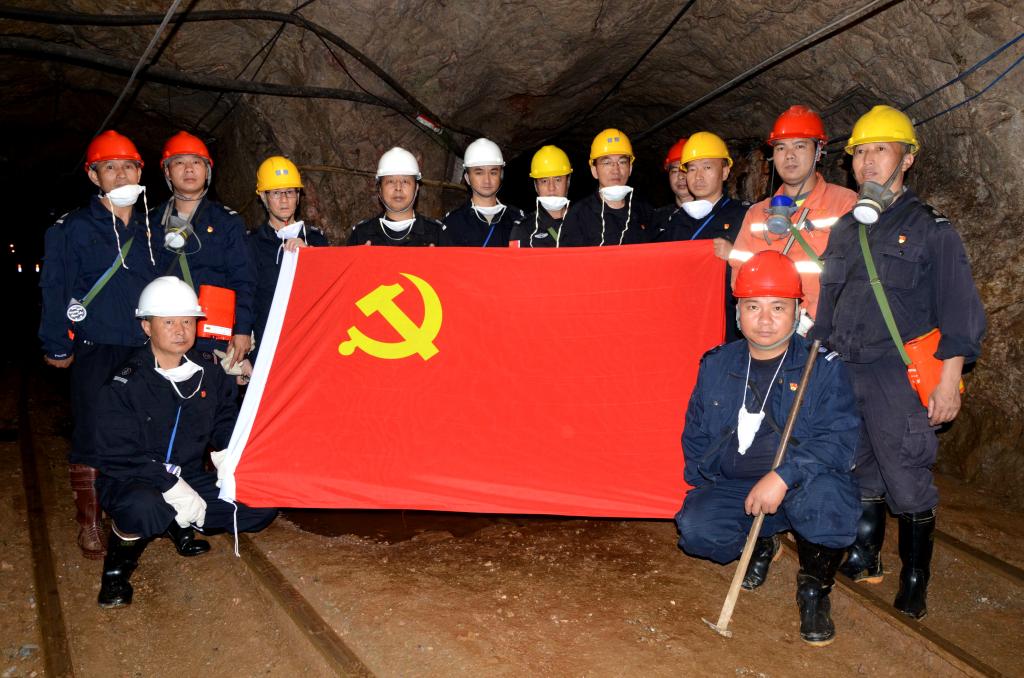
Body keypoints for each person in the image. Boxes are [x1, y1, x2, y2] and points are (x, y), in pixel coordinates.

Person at [810, 105, 986, 620]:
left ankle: (914, 578)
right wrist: (815, 366)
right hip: (847, 370)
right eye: (859, 152)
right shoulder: (846, 229)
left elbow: (960, 312)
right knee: (858, 469)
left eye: (880, 150)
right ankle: (865, 554)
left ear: (906, 159)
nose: (867, 162)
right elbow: (828, 308)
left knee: (906, 477)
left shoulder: (932, 230)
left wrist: (948, 383)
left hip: (898, 376)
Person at [675, 251, 861, 646]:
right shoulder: (717, 363)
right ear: (738, 312)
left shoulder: (822, 367)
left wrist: (783, 475)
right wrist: (706, 483)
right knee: (697, 530)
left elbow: (839, 439)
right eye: (752, 307)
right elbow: (695, 430)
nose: (764, 319)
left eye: (778, 307)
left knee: (827, 503)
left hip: (801, 482)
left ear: (798, 311)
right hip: (736, 484)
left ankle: (814, 589)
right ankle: (762, 538)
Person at [94, 276, 278, 608]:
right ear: (147, 326)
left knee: (260, 504)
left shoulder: (208, 372)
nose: (180, 330)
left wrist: (230, 455)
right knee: (145, 506)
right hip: (133, 479)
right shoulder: (125, 382)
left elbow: (224, 420)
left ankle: (176, 523)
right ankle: (116, 574)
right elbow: (115, 454)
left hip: (188, 475)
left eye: (188, 321)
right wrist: (169, 485)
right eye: (169, 322)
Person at [39, 130, 161, 560]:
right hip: (96, 345)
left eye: (128, 166)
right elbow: (55, 286)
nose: (121, 174)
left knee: (143, 430)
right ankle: (89, 521)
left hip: (144, 348)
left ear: (140, 172)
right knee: (93, 431)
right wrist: (56, 343)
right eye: (110, 167)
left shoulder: (153, 228)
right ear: (94, 176)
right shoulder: (72, 229)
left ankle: (131, 508)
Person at [729, 106, 857, 327]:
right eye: (781, 147)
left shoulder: (844, 204)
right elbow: (740, 276)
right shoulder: (756, 214)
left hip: (824, 329)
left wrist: (810, 318)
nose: (789, 155)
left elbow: (855, 275)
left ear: (818, 151)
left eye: (800, 146)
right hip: (768, 330)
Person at [153, 131, 255, 370]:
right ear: (167, 171)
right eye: (179, 162)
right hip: (166, 337)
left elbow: (244, 279)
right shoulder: (151, 223)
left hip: (213, 338)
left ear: (207, 170)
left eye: (196, 162)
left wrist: (242, 330)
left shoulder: (227, 222)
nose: (189, 169)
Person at [656, 132, 751, 341]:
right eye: (692, 169)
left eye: (707, 167)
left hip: (727, 329)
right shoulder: (675, 222)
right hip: (683, 326)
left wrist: (734, 255)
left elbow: (765, 266)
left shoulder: (745, 216)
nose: (698, 176)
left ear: (725, 172)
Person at [248, 156, 329, 366]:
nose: (284, 200)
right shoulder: (252, 244)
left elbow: (329, 294)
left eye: (290, 192)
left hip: (310, 346)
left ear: (298, 196)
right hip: (268, 347)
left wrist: (310, 258)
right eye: (276, 193)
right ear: (263, 197)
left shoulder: (317, 240)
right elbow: (246, 299)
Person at [560, 128, 654, 247]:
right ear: (594, 170)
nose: (616, 170)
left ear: (630, 168)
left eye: (622, 162)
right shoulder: (578, 216)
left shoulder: (645, 212)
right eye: (607, 163)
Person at [348, 147, 442, 246]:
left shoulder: (437, 234)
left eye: (405, 181)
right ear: (380, 189)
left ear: (416, 187)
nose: (398, 188)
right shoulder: (361, 235)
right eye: (390, 181)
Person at [440, 138, 524, 247]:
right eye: (479, 173)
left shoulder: (518, 219)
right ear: (467, 178)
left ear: (501, 176)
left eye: (493, 173)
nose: (487, 180)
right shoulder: (453, 223)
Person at [510, 145, 573, 248]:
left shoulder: (584, 222)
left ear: (568, 182)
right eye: (544, 181)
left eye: (558, 180)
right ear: (536, 186)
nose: (551, 187)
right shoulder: (524, 229)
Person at [651, 137, 692, 233]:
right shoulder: (656, 218)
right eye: (674, 171)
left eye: (686, 170)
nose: (680, 176)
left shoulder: (713, 216)